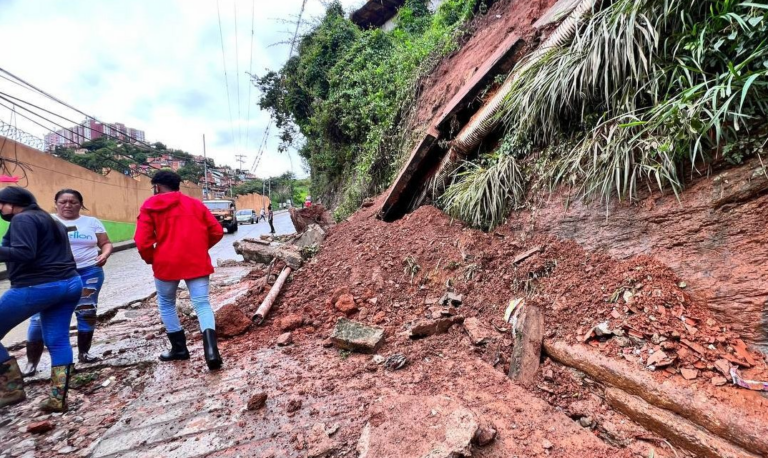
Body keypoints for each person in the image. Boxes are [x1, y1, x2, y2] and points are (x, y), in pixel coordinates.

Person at [0, 187, 82, 412]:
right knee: (57, 340)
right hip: (70, 283)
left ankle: (11, 391)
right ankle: (58, 399)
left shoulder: (22, 219)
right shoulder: (49, 219)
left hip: (38, 286)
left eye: (1, 203)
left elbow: (25, 252)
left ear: (12, 203)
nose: (0, 208)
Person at [134, 171, 225, 370]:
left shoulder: (149, 207)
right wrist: (199, 249)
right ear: (177, 185)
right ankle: (211, 351)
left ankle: (179, 349)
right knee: (202, 303)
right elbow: (217, 231)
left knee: (167, 303)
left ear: (157, 187)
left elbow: (142, 242)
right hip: (196, 261)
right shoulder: (196, 204)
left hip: (165, 263)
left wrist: (152, 258)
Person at [22, 189, 113, 377]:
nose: (68, 205)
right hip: (53, 274)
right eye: (63, 202)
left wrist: (104, 254)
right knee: (39, 316)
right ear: (56, 203)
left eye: (73, 202)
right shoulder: (46, 221)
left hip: (89, 272)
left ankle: (84, 353)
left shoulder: (92, 222)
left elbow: (105, 243)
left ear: (81, 204)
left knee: (87, 310)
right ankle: (31, 363)